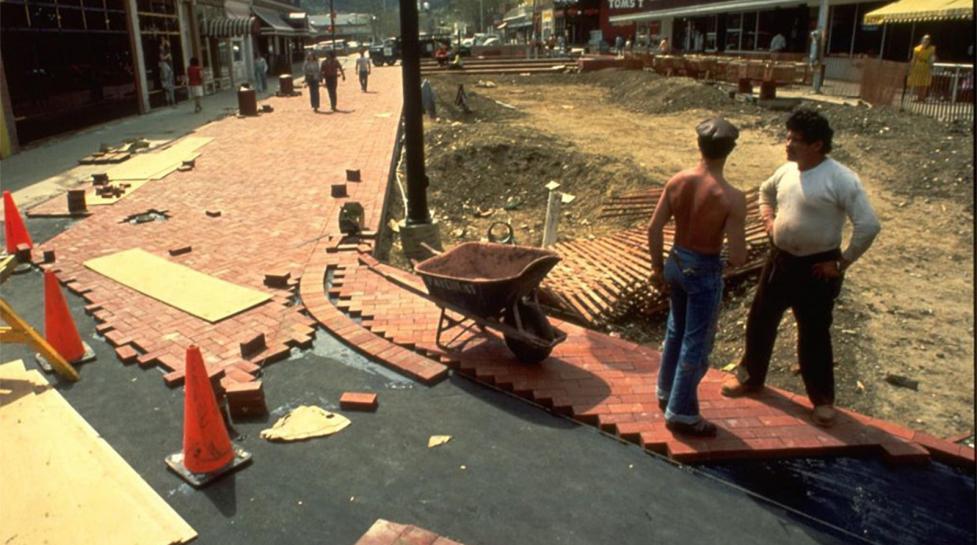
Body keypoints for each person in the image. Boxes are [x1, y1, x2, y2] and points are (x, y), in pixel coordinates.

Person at [721, 109, 881, 428]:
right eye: (788, 136)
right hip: (779, 261)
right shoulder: (786, 171)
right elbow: (766, 192)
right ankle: (750, 378)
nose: (788, 144)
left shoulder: (841, 179)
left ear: (818, 145)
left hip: (817, 268)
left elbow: (869, 225)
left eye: (796, 140)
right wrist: (768, 219)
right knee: (761, 320)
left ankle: (822, 400)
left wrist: (842, 262)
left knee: (814, 334)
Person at [648, 118, 747, 437]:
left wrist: (657, 269)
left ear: (698, 145)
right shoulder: (731, 197)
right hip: (703, 268)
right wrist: (725, 263)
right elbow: (738, 255)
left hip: (675, 261)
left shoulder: (677, 181)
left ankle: (665, 391)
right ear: (730, 150)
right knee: (697, 343)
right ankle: (682, 413)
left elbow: (654, 228)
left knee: (676, 330)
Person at [907, 35, 936, 102]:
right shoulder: (917, 49)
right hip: (918, 66)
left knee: (925, 83)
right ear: (921, 40)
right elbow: (914, 59)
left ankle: (922, 98)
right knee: (918, 82)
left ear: (929, 41)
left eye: (927, 40)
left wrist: (931, 64)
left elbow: (933, 57)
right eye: (924, 39)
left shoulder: (932, 48)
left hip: (926, 66)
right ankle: (918, 97)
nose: (926, 41)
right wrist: (911, 68)